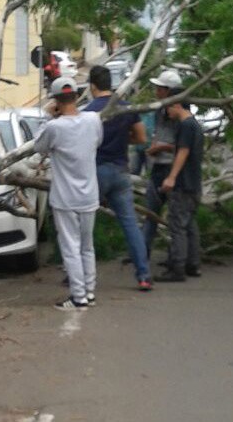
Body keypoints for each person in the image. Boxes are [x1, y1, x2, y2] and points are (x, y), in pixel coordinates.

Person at [35, 76, 103, 310]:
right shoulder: (93, 120)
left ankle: (78, 296)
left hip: (65, 197)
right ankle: (90, 292)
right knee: (87, 245)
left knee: (70, 248)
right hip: (89, 194)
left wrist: (48, 114)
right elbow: (97, 142)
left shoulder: (54, 126)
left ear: (56, 100)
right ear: (76, 96)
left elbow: (39, 147)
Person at [84, 66, 153, 291]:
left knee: (84, 224)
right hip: (122, 170)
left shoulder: (89, 111)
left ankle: (78, 273)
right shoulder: (126, 108)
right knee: (130, 224)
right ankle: (143, 275)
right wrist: (125, 140)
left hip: (97, 171)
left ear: (92, 86)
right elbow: (141, 137)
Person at [156, 89, 204, 282]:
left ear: (177, 104)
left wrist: (171, 177)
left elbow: (182, 152)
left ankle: (177, 267)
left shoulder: (185, 126)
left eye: (168, 105)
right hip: (194, 183)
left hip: (183, 183)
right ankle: (193, 264)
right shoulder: (195, 125)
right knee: (189, 224)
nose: (166, 110)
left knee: (177, 225)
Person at [142, 69, 183, 258]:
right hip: (157, 167)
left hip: (170, 168)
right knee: (150, 213)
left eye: (160, 88)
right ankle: (143, 252)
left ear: (169, 91)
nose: (156, 91)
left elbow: (181, 146)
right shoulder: (160, 110)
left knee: (175, 216)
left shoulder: (179, 115)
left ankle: (176, 257)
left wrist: (160, 148)